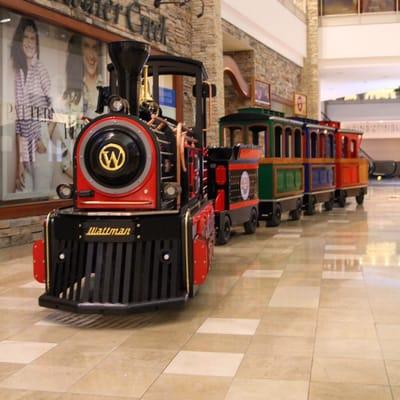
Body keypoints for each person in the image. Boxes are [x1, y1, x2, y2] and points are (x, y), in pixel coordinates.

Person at [51, 34, 103, 180]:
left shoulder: (108, 91)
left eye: (95, 48)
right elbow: (55, 142)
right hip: (71, 177)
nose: (92, 55)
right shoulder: (66, 97)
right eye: (86, 47)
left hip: (104, 173)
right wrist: (68, 168)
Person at [11, 18, 52, 192]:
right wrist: (20, 163)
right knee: (24, 194)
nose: (29, 42)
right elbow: (20, 124)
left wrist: (45, 138)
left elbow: (56, 110)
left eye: (32, 38)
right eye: (25, 37)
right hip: (26, 152)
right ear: (19, 42)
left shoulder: (40, 69)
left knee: (41, 200)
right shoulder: (19, 75)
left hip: (41, 147)